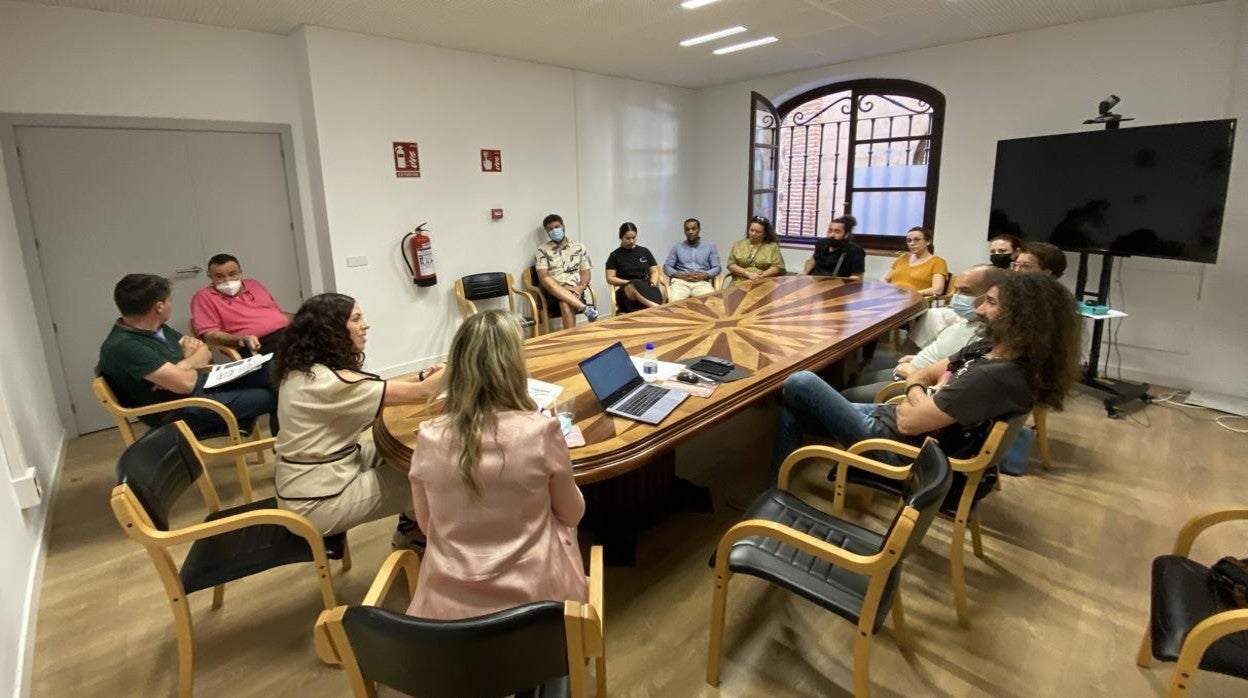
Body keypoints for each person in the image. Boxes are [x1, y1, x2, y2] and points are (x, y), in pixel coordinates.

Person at [772, 272, 1081, 471]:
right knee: (793, 407)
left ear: (1022, 317)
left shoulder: (995, 376)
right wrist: (923, 389)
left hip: (900, 451)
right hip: (895, 420)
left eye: (990, 302)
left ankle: (776, 492)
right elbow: (928, 372)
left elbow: (908, 420)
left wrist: (915, 389)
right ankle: (778, 490)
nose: (979, 309)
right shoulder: (990, 349)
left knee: (800, 381)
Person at [408, 311, 587, 620]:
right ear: (515, 367)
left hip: (446, 617)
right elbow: (571, 514)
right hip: (538, 609)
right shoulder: (542, 431)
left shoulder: (428, 437)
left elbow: (426, 525)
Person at [271, 293, 445, 546]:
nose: (366, 325)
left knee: (414, 453)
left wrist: (422, 375)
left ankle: (410, 526)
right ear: (332, 330)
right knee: (431, 479)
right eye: (356, 319)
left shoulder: (306, 370)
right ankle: (414, 537)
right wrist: (460, 362)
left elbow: (378, 386)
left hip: (311, 478)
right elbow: (423, 393)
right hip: (317, 502)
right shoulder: (325, 383)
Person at [97, 273, 277, 438]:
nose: (171, 305)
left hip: (201, 387)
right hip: (179, 410)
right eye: (169, 301)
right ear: (159, 307)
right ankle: (287, 457)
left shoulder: (157, 327)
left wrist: (180, 367)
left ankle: (288, 452)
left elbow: (204, 350)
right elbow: (186, 384)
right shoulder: (126, 346)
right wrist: (190, 361)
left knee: (275, 370)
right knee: (275, 394)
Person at [843, 265, 1005, 402]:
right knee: (851, 380)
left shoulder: (986, 339)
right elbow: (951, 359)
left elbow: (948, 384)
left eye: (965, 291)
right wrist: (915, 359)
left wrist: (913, 375)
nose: (956, 297)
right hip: (913, 368)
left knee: (844, 394)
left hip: (914, 384)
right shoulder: (969, 322)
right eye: (956, 290)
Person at [190, 253, 291, 357]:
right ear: (210, 277)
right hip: (255, 345)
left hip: (286, 333)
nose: (227, 280)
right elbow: (210, 335)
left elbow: (276, 313)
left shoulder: (254, 284)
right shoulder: (203, 297)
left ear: (240, 273)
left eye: (232, 274)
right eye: (219, 277)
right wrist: (241, 339)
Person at [535, 214, 598, 327]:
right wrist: (564, 286)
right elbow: (543, 277)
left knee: (565, 303)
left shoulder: (579, 247)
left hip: (576, 290)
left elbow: (585, 272)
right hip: (551, 293)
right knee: (547, 280)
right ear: (547, 232)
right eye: (550, 229)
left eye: (557, 227)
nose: (555, 230)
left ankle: (571, 341)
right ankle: (584, 308)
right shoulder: (542, 250)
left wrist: (580, 287)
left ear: (563, 226)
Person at [605, 222, 664, 313]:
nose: (631, 241)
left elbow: (654, 270)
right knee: (633, 284)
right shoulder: (615, 255)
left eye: (634, 237)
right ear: (621, 237)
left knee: (645, 287)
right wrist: (627, 282)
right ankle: (654, 307)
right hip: (626, 290)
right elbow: (610, 278)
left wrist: (653, 282)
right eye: (628, 238)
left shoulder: (644, 251)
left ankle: (654, 305)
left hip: (645, 285)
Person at [663, 218, 721, 301]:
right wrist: (681, 275)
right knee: (674, 302)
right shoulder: (677, 247)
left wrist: (705, 275)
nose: (690, 232)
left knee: (712, 301)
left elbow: (717, 268)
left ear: (699, 230)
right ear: (684, 231)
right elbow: (667, 267)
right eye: (687, 229)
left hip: (702, 283)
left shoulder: (710, 247)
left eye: (693, 229)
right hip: (681, 283)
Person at [883, 226, 948, 298]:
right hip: (893, 297)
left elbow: (937, 290)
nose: (912, 243)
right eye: (909, 240)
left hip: (914, 300)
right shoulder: (903, 258)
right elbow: (885, 279)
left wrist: (910, 294)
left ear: (928, 241)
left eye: (917, 239)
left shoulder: (938, 262)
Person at [725, 216, 785, 286]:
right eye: (751, 230)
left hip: (764, 281)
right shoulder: (738, 244)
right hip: (739, 281)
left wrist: (759, 276)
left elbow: (777, 267)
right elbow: (731, 264)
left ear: (765, 233)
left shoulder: (772, 246)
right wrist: (747, 274)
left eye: (758, 232)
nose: (753, 234)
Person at [805, 215, 865, 279]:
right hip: (815, 282)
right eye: (830, 231)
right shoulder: (821, 243)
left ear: (846, 235)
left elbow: (856, 277)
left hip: (837, 285)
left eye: (837, 232)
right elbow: (814, 259)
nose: (832, 235)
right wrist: (804, 273)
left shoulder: (855, 251)